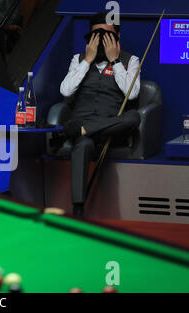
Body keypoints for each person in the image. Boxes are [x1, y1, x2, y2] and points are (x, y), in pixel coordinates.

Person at [55, 12, 141, 216]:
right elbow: (65, 91)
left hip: (111, 125)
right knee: (83, 145)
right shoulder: (78, 59)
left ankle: (82, 131)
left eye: (108, 35)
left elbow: (132, 94)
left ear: (117, 37)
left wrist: (115, 61)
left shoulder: (131, 60)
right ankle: (77, 208)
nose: (102, 40)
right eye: (97, 35)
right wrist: (87, 61)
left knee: (134, 116)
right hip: (83, 122)